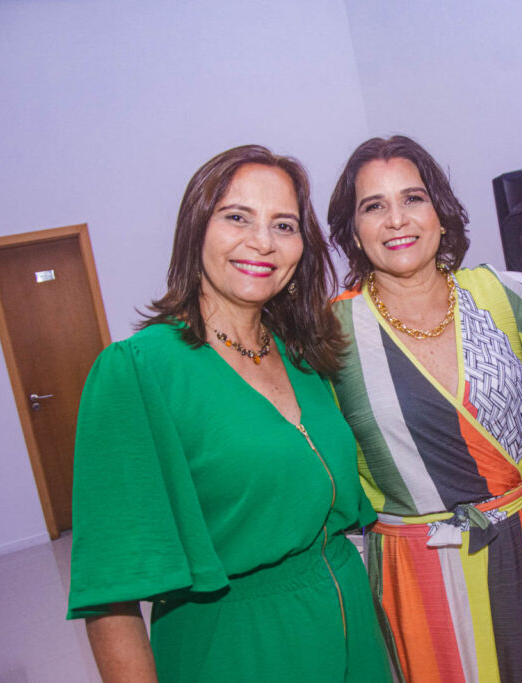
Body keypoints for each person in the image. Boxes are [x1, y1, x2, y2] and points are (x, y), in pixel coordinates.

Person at [66, 145, 391, 682]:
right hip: (237, 645)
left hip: (350, 626)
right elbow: (110, 597)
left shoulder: (304, 355)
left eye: (283, 225)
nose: (262, 241)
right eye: (237, 217)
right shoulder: (139, 371)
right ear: (196, 229)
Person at [327, 136, 522, 682]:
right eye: (374, 205)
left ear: (441, 213)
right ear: (353, 231)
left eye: (413, 198)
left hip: (520, 551)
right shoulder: (329, 336)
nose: (396, 220)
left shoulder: (505, 295)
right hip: (415, 574)